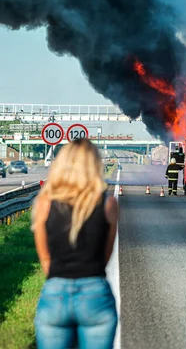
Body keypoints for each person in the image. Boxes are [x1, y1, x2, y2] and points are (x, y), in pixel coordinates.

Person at [32, 139, 119, 349]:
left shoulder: (43, 203)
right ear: (94, 165)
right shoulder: (108, 204)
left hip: (55, 293)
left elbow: (45, 258)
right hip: (95, 293)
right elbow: (105, 255)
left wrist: (59, 281)